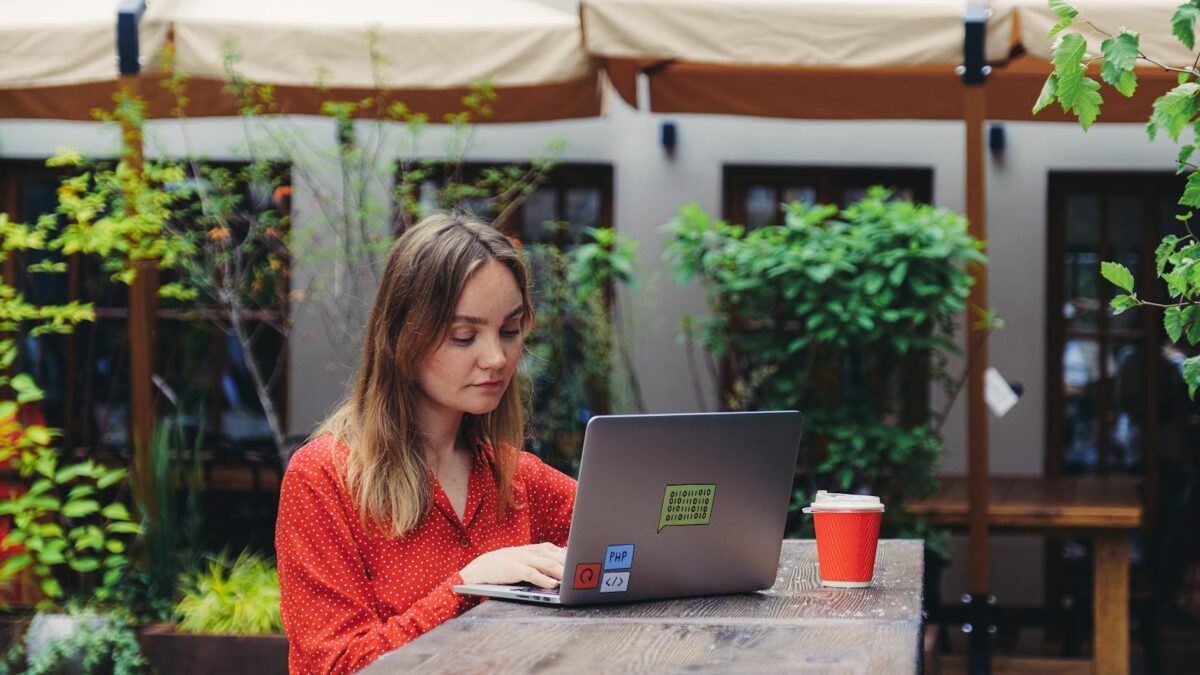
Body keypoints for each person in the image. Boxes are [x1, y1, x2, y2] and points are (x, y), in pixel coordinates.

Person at [276, 213, 577, 674]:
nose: (497, 358)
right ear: (402, 338)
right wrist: (469, 585)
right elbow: (335, 666)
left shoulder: (516, 476)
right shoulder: (324, 477)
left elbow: (632, 537)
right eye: (464, 336)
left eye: (510, 331)